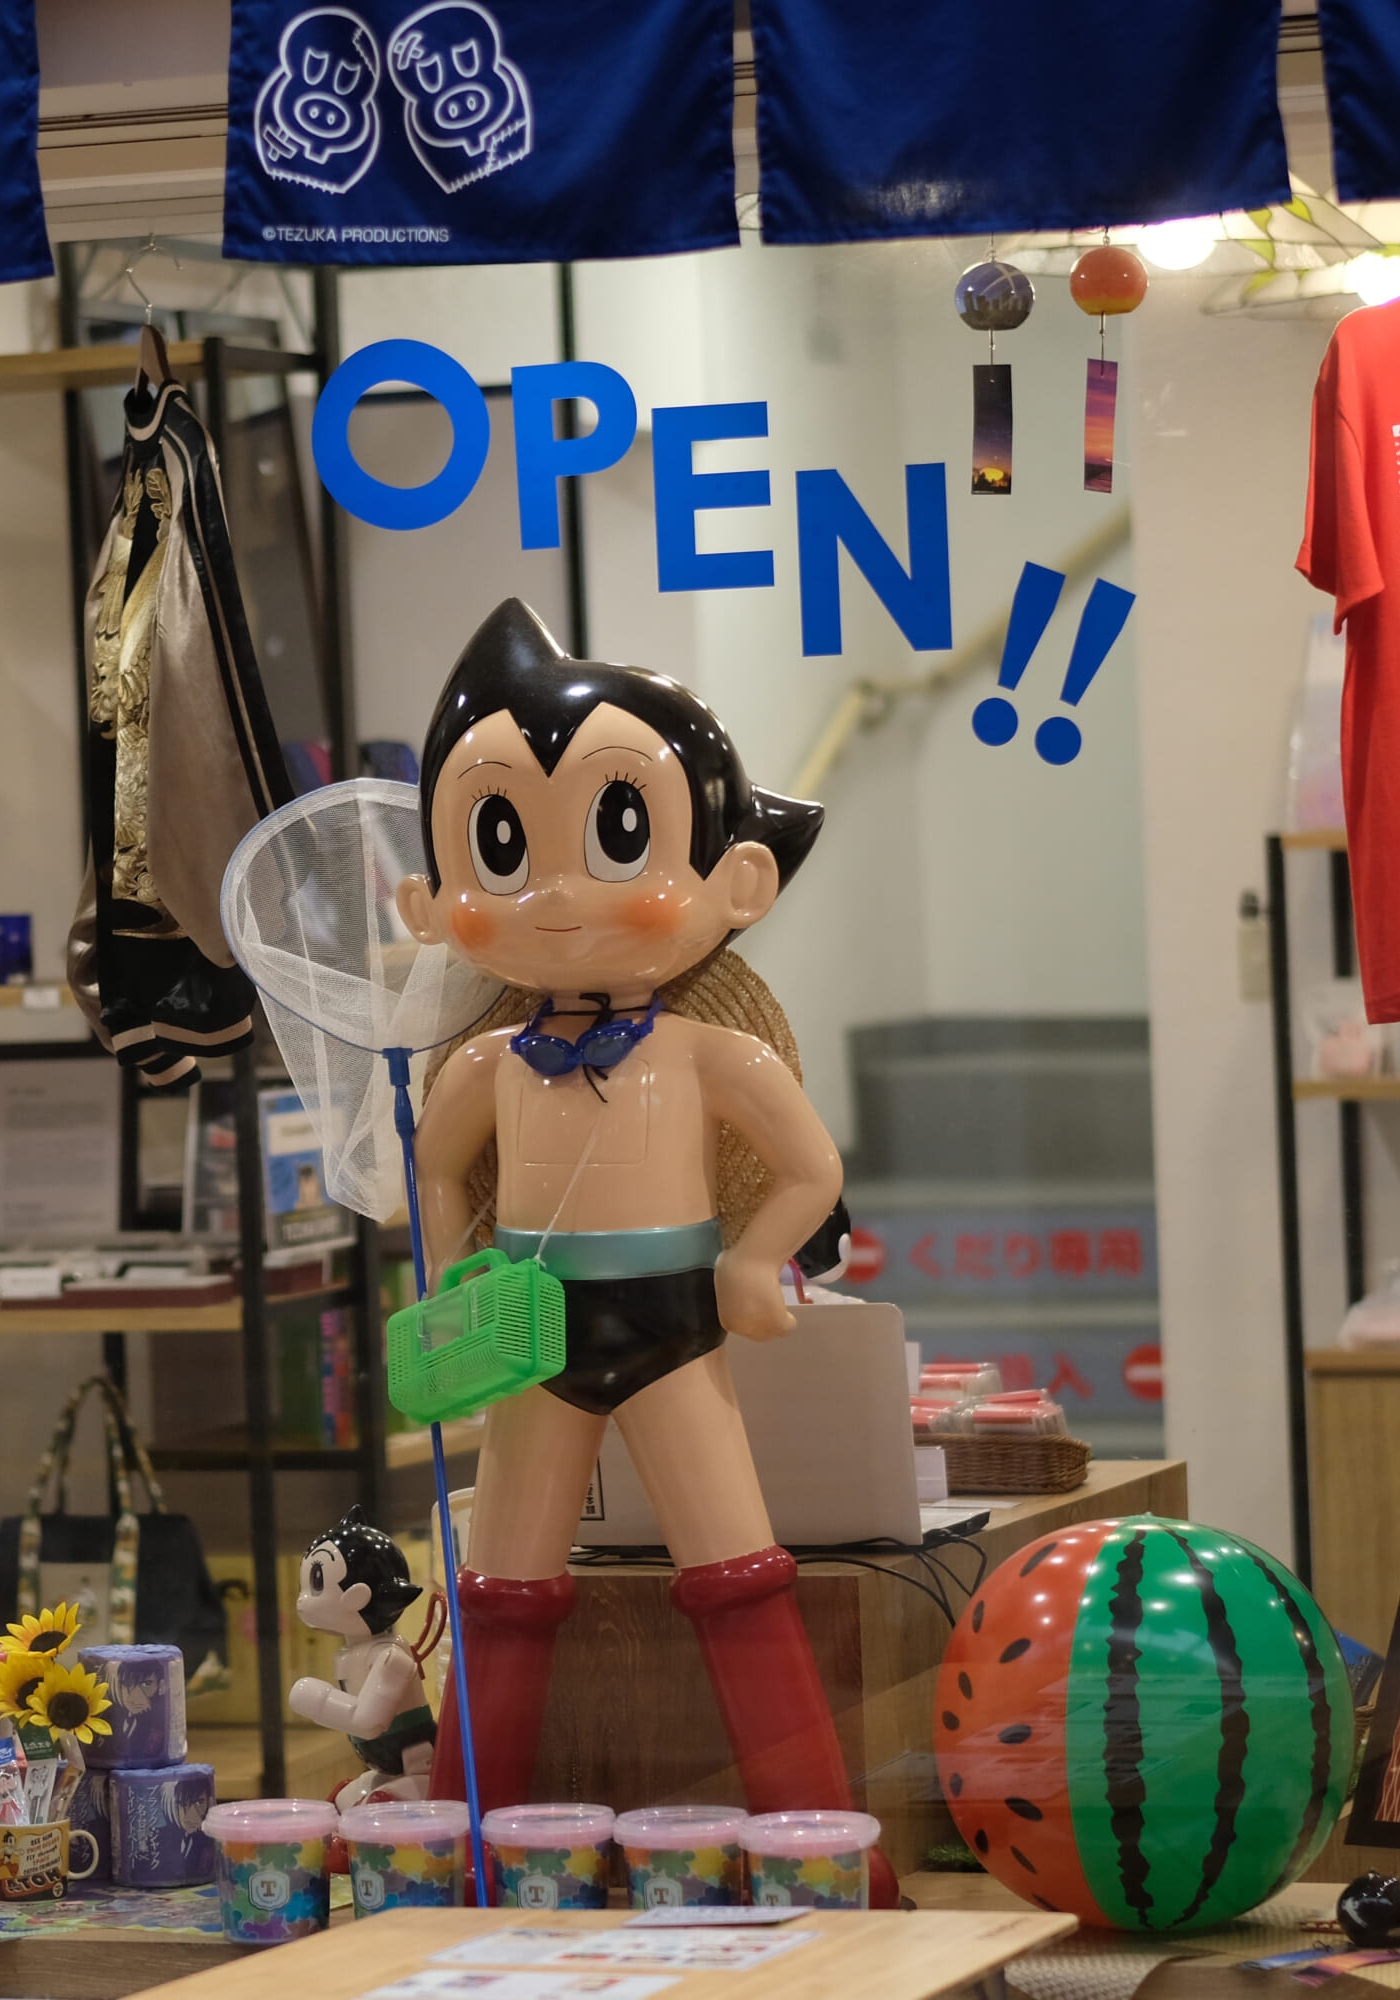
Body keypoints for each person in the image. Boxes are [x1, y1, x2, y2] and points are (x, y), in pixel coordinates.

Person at [396, 598, 892, 1907]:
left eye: (618, 833)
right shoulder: (484, 1065)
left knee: (740, 1577)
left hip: (676, 1324)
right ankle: (462, 1858)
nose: (556, 894)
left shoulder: (712, 1054)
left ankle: (825, 1853)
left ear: (742, 883)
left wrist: (751, 1262)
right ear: (431, 899)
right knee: (502, 1590)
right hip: (530, 1329)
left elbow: (811, 1171)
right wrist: (449, 1271)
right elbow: (435, 1167)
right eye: (501, 845)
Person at [287, 1510, 437, 1807]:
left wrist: (315, 1698)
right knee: (341, 1802)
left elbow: (368, 1721)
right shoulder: (349, 1654)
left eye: (316, 1582)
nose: (302, 1600)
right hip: (383, 1765)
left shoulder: (390, 1656)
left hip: (418, 1763)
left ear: (359, 1596)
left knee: (373, 1805)